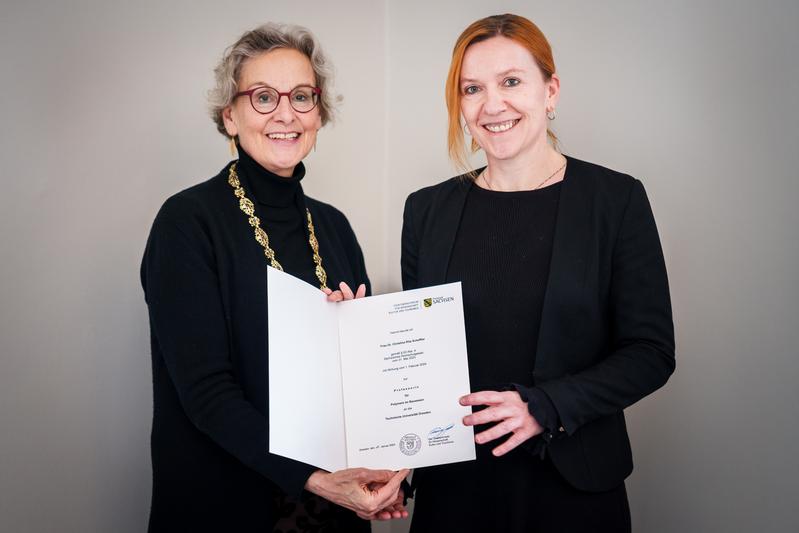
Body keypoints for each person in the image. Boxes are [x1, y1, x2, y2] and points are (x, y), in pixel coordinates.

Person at [401, 14, 675, 532]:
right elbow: (416, 353)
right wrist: (353, 335)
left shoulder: (615, 201)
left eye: (511, 82)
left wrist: (545, 406)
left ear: (550, 91)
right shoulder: (426, 210)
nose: (492, 104)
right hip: (455, 491)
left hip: (571, 486)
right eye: (472, 88)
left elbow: (651, 352)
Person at [141, 23, 407, 532]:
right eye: (264, 97)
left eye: (302, 97)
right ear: (231, 116)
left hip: (330, 511)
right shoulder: (187, 223)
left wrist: (381, 474)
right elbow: (206, 393)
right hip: (226, 504)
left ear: (319, 113)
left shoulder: (333, 226)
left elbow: (365, 385)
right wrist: (313, 476)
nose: (286, 113)